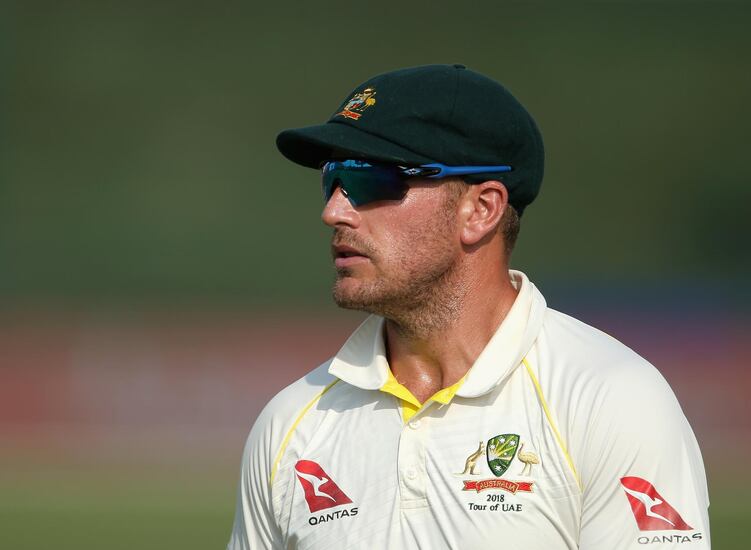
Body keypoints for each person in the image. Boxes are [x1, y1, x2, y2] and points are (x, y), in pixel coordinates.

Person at [227, 64, 710, 550]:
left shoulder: (610, 400)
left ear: (481, 210)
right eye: (332, 179)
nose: (333, 211)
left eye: (369, 180)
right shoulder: (290, 424)